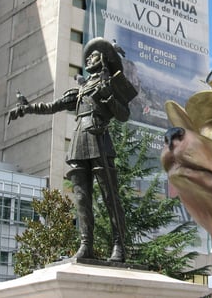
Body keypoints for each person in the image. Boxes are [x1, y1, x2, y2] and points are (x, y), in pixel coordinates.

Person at [9, 38, 137, 262]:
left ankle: (119, 245)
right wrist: (27, 108)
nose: (89, 58)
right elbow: (53, 106)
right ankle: (85, 244)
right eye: (88, 56)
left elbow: (124, 115)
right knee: (81, 197)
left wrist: (107, 97)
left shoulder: (112, 84)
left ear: (104, 60)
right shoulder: (79, 90)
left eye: (94, 55)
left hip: (100, 138)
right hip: (80, 140)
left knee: (110, 198)